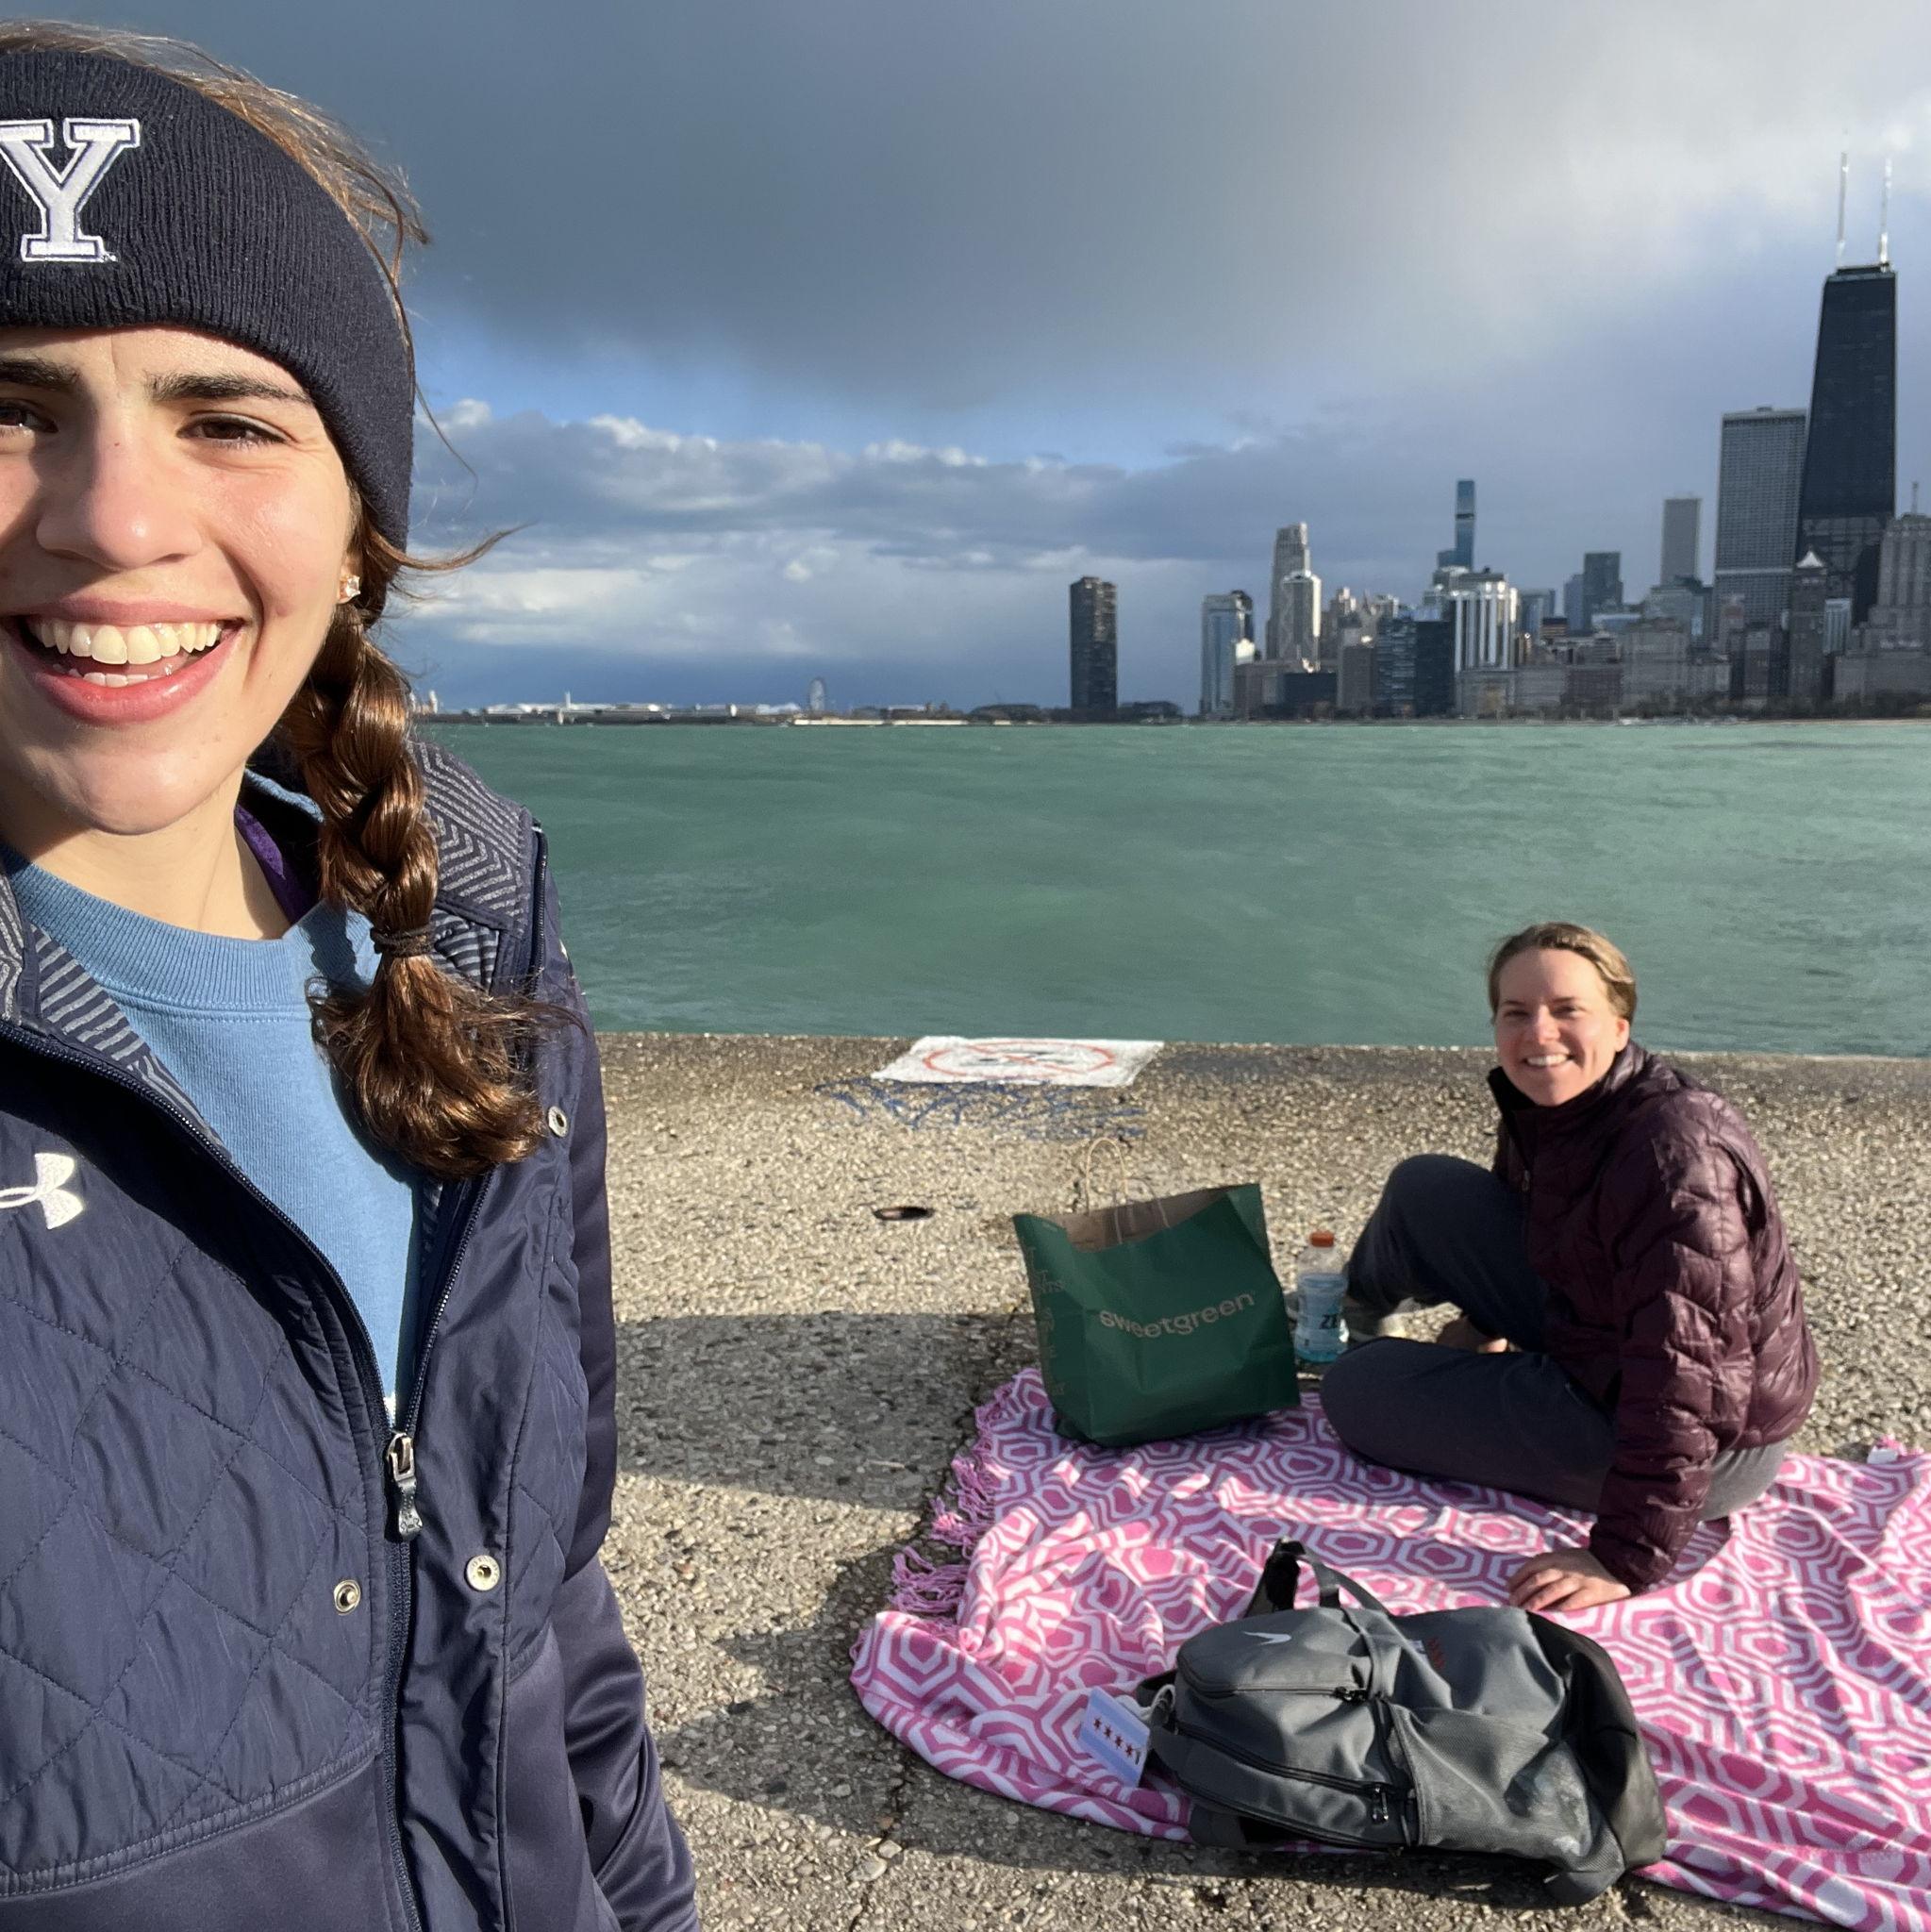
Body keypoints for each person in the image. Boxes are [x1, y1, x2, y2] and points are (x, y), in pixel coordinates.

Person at [0, 25, 696, 1930]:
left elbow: (548, 1615)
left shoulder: (467, 931)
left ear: (356, 522)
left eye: (228, 416)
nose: (112, 518)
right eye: (6, 404)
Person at [1322, 922, 1818, 1616]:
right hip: (1601, 1328)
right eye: (1515, 1013)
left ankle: (1391, 1371)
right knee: (1424, 1188)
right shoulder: (1555, 1103)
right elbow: (1538, 1229)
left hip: (1707, 1441)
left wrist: (1624, 1555)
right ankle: (1346, 1321)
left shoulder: (1676, 1163)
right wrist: (1483, 1323)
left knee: (1356, 1390)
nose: (1538, 1033)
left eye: (1565, 1011)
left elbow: (1687, 1374)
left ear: (1619, 1026)